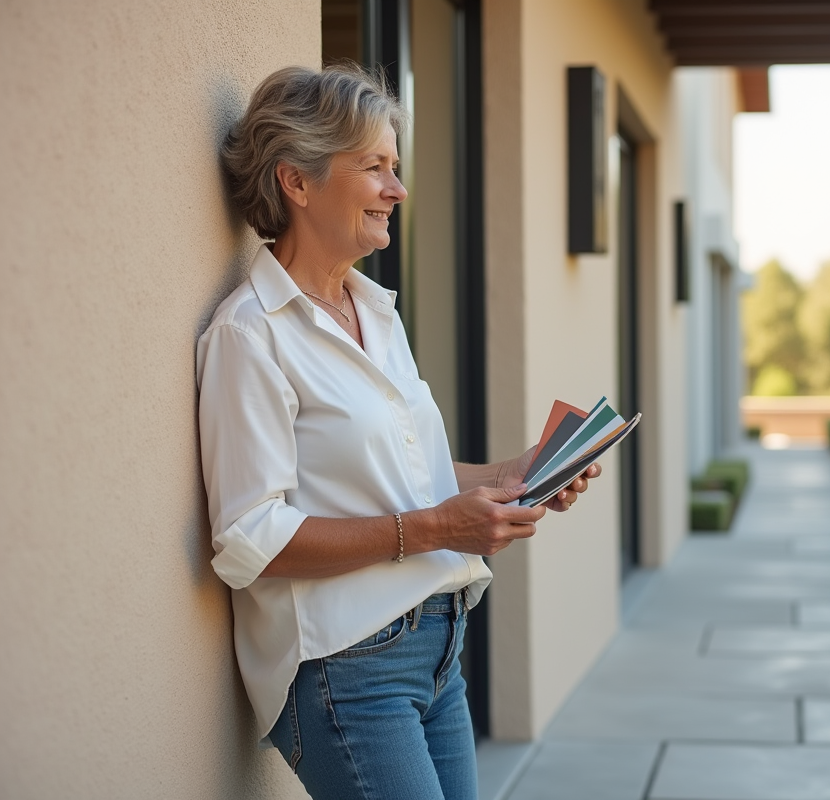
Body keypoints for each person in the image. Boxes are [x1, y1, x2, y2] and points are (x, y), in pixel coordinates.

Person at [197, 64, 599, 800]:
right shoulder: (249, 337)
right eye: (376, 168)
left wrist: (518, 472)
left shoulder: (374, 311)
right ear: (298, 182)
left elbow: (411, 475)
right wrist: (437, 527)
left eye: (397, 167)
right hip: (346, 670)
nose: (398, 190)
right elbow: (249, 538)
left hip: (440, 649)